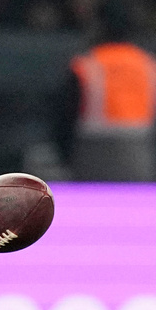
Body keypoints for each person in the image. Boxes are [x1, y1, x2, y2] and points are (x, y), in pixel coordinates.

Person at [55, 0, 156, 181]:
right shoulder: (148, 66)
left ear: (98, 25)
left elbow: (63, 120)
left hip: (91, 162)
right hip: (141, 164)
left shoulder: (86, 66)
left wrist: (65, 159)